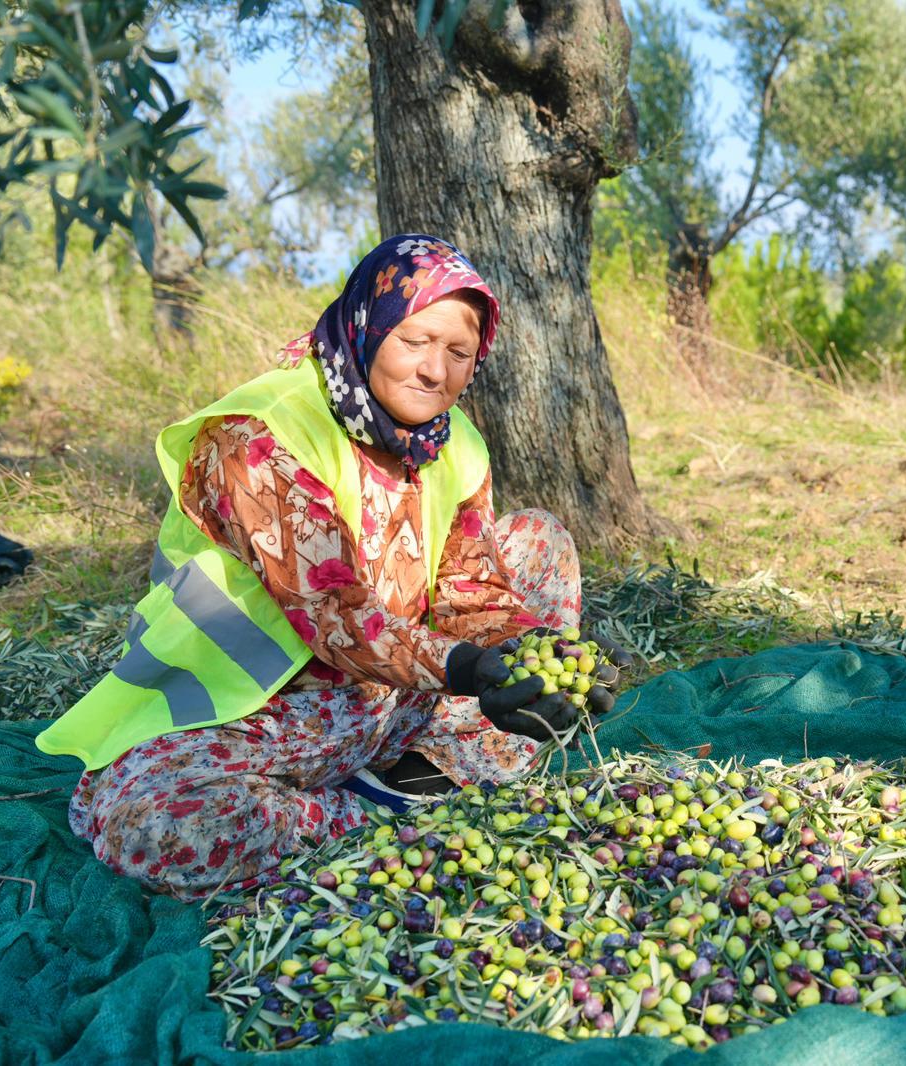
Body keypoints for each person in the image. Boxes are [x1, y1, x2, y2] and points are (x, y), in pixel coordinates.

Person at [37, 234, 628, 899]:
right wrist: (470, 668)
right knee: (156, 827)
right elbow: (334, 612)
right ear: (369, 326)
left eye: (458, 353)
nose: (435, 371)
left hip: (389, 699)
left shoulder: (452, 441)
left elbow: (473, 593)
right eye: (414, 341)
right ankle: (384, 814)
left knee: (540, 541)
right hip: (256, 712)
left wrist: (529, 652)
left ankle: (423, 773)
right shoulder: (261, 436)